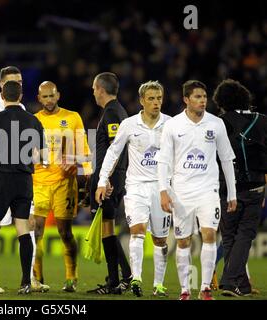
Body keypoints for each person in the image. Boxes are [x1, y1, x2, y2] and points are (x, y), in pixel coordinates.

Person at [155, 80, 237, 300]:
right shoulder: (173, 125)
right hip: (181, 192)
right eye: (198, 97)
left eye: (204, 96)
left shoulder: (216, 123)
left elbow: (227, 159)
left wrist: (232, 193)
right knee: (183, 241)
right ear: (186, 99)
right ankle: (185, 289)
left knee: (209, 235)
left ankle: (205, 288)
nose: (203, 101)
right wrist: (163, 190)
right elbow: (163, 161)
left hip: (208, 190)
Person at [96, 81, 172, 297]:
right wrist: (103, 180)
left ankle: (158, 284)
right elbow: (113, 153)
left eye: (159, 98)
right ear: (141, 101)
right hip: (136, 187)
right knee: (136, 232)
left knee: (160, 240)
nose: (156, 102)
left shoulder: (171, 124)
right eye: (151, 98)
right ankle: (136, 278)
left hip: (162, 189)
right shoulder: (129, 124)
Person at [0, 80, 45, 294]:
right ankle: (25, 283)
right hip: (23, 180)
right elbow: (40, 156)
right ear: (20, 96)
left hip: (1, 179)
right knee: (22, 228)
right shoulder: (33, 121)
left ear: (2, 97)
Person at [32, 81, 92, 292]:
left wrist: (76, 163)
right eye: (44, 97)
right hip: (38, 183)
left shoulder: (72, 117)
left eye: (52, 96)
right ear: (39, 99)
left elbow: (85, 152)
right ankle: (37, 279)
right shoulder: (33, 121)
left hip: (64, 183)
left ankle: (71, 277)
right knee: (36, 232)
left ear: (58, 95)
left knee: (64, 232)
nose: (49, 100)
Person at [212, 79, 267, 297]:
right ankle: (230, 282)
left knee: (229, 237)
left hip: (226, 188)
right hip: (255, 186)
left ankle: (240, 286)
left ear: (221, 102)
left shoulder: (217, 123)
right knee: (245, 234)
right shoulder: (262, 121)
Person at [87, 72, 133, 295]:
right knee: (107, 229)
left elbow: (116, 148)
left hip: (110, 180)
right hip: (110, 178)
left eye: (94, 88)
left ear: (101, 89)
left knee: (108, 227)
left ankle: (118, 279)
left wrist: (106, 180)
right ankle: (119, 277)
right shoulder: (114, 111)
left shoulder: (113, 112)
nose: (93, 92)